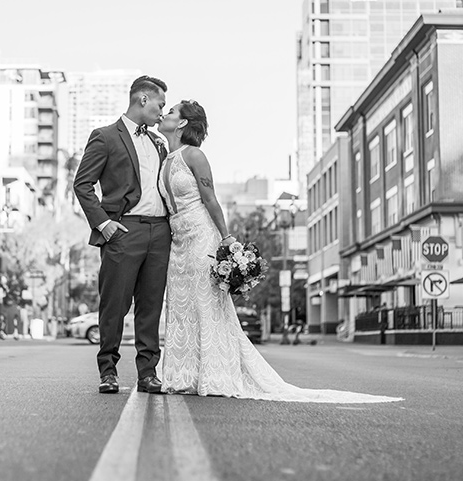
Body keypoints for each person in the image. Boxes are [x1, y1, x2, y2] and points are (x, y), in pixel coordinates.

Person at [155, 99, 400, 404]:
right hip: (177, 242)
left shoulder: (195, 155)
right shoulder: (165, 158)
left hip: (201, 237)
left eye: (172, 111)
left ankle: (215, 374)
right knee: (181, 306)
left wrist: (227, 238)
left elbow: (210, 198)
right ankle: (183, 375)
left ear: (181, 123)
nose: (165, 113)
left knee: (206, 305)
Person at [72, 75, 172, 395]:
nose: (162, 111)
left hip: (160, 232)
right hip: (123, 231)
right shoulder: (104, 137)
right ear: (143, 99)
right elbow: (82, 184)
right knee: (115, 304)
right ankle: (108, 371)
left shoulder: (160, 143)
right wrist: (105, 224)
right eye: (160, 104)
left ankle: (147, 372)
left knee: (151, 305)